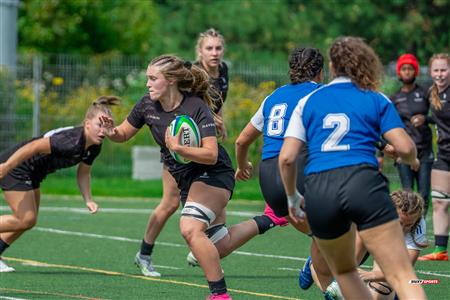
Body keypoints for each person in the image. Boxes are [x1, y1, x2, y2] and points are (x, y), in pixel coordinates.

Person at [279, 36, 426, 299]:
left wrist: (292, 196)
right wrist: (412, 161)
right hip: (362, 183)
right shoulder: (375, 98)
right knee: (402, 275)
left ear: (332, 66)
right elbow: (405, 147)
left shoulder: (309, 100)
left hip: (320, 190)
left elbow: (287, 159)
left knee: (345, 273)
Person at [103, 54, 235, 299]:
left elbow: (210, 154)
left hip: (213, 173)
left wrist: (179, 148)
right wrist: (110, 131)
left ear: (171, 80)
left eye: (153, 78)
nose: (148, 84)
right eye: (147, 78)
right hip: (186, 179)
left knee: (189, 228)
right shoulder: (146, 105)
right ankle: (268, 220)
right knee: (219, 243)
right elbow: (122, 134)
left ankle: (220, 295)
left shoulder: (196, 106)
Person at [0, 96, 119, 273]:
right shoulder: (71, 141)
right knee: (25, 218)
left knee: (27, 222)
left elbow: (84, 172)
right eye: (99, 125)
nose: (103, 131)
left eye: (106, 126)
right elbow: (33, 147)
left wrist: (89, 200)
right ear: (87, 124)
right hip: (18, 167)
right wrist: (7, 166)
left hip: (34, 173)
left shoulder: (94, 145)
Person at [235, 46, 324, 234]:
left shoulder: (273, 97)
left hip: (269, 181)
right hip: (297, 171)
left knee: (319, 236)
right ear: (321, 72)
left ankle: (314, 264)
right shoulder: (321, 93)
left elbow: (241, 141)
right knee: (346, 227)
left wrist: (242, 166)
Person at [390, 53, 433, 216]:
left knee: (423, 194)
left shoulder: (425, 93)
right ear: (399, 72)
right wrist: (381, 153)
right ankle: (408, 230)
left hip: (424, 151)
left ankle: (420, 230)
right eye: (404, 69)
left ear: (415, 71)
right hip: (404, 151)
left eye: (410, 68)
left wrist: (426, 118)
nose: (407, 72)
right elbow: (386, 128)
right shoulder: (394, 98)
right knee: (407, 193)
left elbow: (439, 117)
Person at [418, 53, 450, 261]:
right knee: (440, 202)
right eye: (436, 70)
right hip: (445, 154)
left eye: (444, 69)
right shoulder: (433, 93)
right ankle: (440, 251)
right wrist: (425, 119)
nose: (439, 74)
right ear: (431, 72)